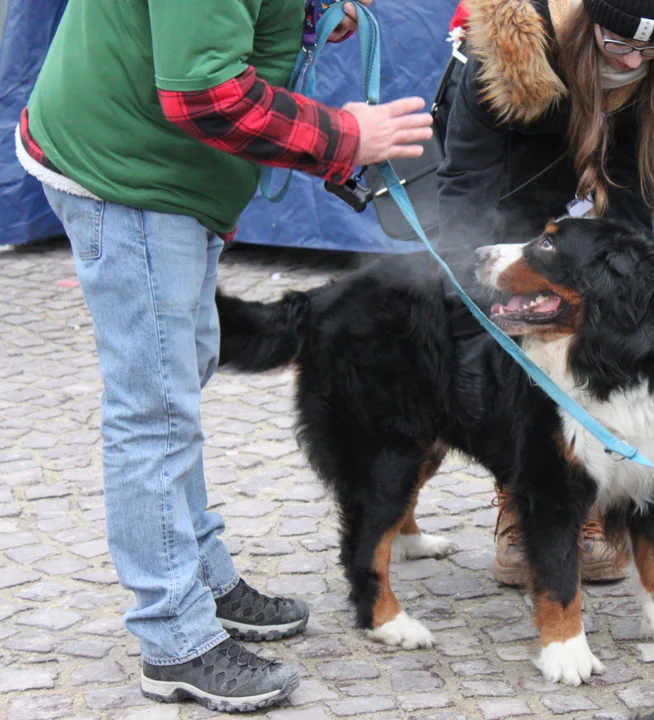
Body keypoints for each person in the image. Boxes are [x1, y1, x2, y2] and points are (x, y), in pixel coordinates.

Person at [15, 0, 432, 712]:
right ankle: (175, 640)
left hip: (164, 174)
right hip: (128, 175)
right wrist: (343, 137)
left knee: (178, 383)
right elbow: (205, 94)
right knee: (154, 411)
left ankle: (200, 578)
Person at [435, 0, 654, 586]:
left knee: (599, 339)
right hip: (507, 192)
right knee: (513, 343)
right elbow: (466, 182)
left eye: (648, 53)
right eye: (618, 45)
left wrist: (627, 288)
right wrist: (469, 286)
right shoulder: (504, 54)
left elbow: (630, 198)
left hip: (599, 196)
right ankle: (519, 499)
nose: (631, 61)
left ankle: (594, 498)